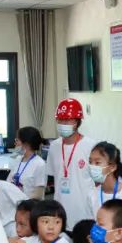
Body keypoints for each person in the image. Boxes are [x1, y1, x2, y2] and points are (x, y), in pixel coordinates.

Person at [46, 99, 98, 231]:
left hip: (84, 213)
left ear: (77, 122)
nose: (63, 124)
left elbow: (98, 181)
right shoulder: (54, 146)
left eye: (68, 120)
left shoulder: (91, 146)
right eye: (60, 120)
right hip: (60, 213)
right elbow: (53, 176)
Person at [9, 127, 48, 199]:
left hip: (30, 205)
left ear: (26, 143)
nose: (15, 143)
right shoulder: (18, 159)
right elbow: (8, 183)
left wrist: (21, 201)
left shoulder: (40, 164)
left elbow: (38, 195)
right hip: (14, 202)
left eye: (17, 140)